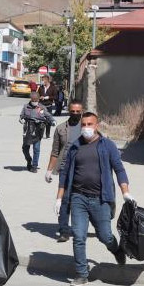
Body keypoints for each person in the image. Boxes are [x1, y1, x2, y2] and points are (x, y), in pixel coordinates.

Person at [55, 111, 132, 286]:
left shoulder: (107, 145)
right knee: (78, 236)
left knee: (104, 235)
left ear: (97, 126)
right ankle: (82, 274)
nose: (86, 128)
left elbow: (119, 169)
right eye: (84, 124)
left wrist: (125, 192)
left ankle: (117, 250)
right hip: (78, 198)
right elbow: (64, 174)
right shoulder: (74, 147)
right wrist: (59, 198)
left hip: (100, 199)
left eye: (90, 124)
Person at [45, 99, 84, 242]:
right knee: (65, 199)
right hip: (65, 169)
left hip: (83, 169)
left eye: (77, 112)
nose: (75, 114)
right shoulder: (61, 128)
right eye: (72, 111)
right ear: (69, 110)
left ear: (82, 111)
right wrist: (49, 170)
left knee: (82, 200)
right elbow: (55, 151)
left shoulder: (87, 127)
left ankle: (83, 228)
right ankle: (64, 230)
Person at [19, 91, 56, 173]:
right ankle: (29, 160)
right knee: (25, 149)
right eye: (33, 100)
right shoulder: (26, 107)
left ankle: (34, 166)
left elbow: (48, 116)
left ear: (39, 99)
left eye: (36, 100)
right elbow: (21, 115)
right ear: (31, 99)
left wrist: (53, 121)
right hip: (28, 130)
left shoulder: (42, 108)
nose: (35, 101)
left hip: (38, 130)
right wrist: (21, 119)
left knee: (36, 149)